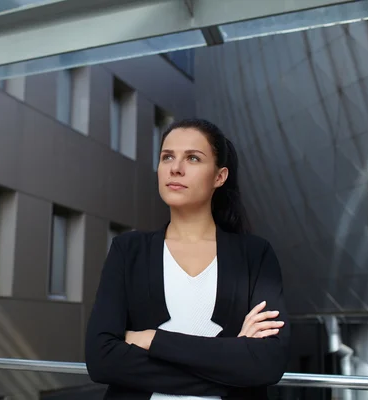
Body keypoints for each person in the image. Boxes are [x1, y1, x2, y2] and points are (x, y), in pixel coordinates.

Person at [85, 118, 290, 399]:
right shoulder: (128, 250)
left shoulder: (254, 255)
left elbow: (267, 364)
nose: (175, 168)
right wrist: (233, 361)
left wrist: (151, 339)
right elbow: (102, 360)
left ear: (220, 176)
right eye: (167, 157)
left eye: (193, 158)